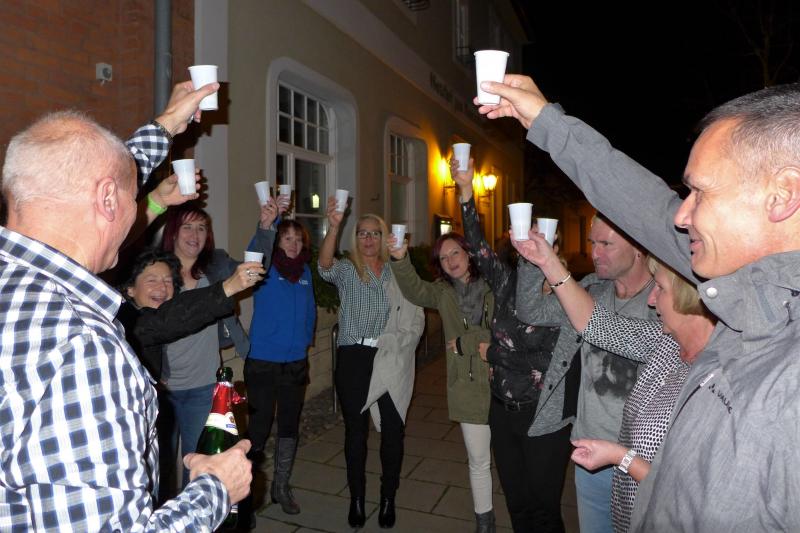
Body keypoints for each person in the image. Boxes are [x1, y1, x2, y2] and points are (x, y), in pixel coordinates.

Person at [478, 76, 800, 530]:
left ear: (782, 194)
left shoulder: (784, 370)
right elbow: (648, 209)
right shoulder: (742, 305)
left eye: (701, 193)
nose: (683, 216)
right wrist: (547, 123)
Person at [0, 111, 250, 531]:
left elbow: (81, 175)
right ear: (108, 199)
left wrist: (166, 125)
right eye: (136, 201)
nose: (139, 214)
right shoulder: (83, 349)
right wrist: (217, 489)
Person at [513, 230, 715, 532]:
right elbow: (601, 326)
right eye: (593, 243)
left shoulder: (720, 367)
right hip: (601, 455)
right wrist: (543, 261)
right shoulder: (664, 341)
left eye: (660, 288)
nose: (652, 299)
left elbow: (693, 490)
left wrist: (622, 457)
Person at [450, 158, 583, 533]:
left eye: (542, 238)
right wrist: (466, 191)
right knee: (518, 504)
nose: (533, 244)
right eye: (528, 236)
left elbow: (547, 360)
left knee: (544, 510)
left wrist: (494, 354)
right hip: (502, 411)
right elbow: (477, 248)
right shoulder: (508, 283)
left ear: (555, 245)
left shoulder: (568, 295)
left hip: (542, 415)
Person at [318, 200, 423, 529]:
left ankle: (388, 497)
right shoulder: (347, 269)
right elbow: (324, 266)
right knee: (356, 433)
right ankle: (357, 499)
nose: (368, 239)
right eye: (362, 233)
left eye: (374, 233)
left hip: (389, 355)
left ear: (383, 237)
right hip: (354, 357)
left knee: (393, 429)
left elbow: (418, 298)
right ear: (356, 238)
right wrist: (334, 226)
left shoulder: (395, 271)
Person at [158, 200, 278, 488]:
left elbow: (253, 270)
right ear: (173, 232)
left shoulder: (216, 264)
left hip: (203, 385)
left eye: (201, 228)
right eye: (187, 227)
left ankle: (194, 511)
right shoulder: (157, 270)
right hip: (162, 386)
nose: (195, 234)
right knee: (159, 467)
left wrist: (265, 227)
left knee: (201, 464)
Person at [387, 231, 497, 532]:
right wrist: (400, 259)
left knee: (513, 460)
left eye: (455, 253)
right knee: (478, 460)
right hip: (467, 386)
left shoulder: (496, 285)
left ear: (469, 253)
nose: (450, 261)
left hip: (504, 385)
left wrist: (465, 342)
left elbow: (503, 333)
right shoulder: (442, 292)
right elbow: (414, 290)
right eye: (443, 258)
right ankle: (485, 522)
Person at [245, 219, 316, 515]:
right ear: (276, 241)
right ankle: (248, 494)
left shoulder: (305, 272)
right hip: (263, 361)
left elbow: (310, 309)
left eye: (298, 239)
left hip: (295, 363)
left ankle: (281, 486)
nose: (294, 244)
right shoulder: (264, 268)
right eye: (287, 238)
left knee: (289, 426)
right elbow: (255, 249)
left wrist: (305, 340)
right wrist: (268, 221)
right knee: (258, 428)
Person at [118, 248, 265, 382]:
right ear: (130, 288)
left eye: (168, 281)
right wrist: (229, 287)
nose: (162, 287)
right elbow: (169, 319)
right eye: (152, 280)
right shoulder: (126, 322)